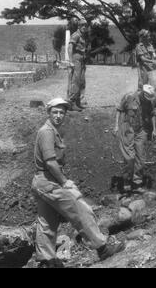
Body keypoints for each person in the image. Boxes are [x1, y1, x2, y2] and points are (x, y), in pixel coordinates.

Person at [32, 98, 125, 268]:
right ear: (48, 113)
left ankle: (47, 261)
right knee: (81, 209)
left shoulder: (52, 131)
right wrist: (65, 182)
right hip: (48, 182)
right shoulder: (47, 132)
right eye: (55, 112)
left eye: (62, 112)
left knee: (47, 222)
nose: (59, 116)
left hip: (40, 183)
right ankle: (102, 247)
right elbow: (51, 162)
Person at [114, 85, 156, 191]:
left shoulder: (150, 101)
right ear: (142, 93)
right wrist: (116, 126)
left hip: (141, 130)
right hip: (127, 129)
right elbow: (119, 110)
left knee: (141, 158)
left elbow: (152, 114)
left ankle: (137, 183)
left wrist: (154, 130)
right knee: (129, 157)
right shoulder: (129, 97)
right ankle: (126, 181)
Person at [67, 19, 88, 112]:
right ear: (78, 26)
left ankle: (78, 102)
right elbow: (70, 47)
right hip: (76, 59)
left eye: (85, 26)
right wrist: (70, 61)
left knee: (81, 81)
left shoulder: (83, 36)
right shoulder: (76, 35)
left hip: (82, 60)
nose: (84, 27)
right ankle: (71, 103)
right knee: (75, 80)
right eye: (82, 25)